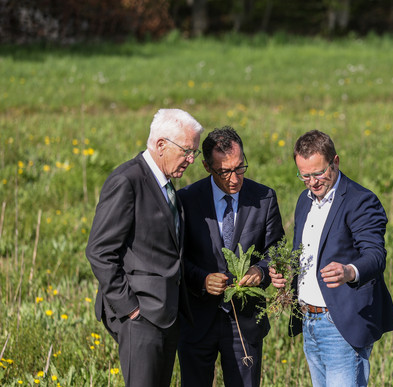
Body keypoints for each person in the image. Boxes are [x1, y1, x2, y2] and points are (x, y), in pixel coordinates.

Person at [269, 130, 393, 387]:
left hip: (341, 322)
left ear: (335, 162)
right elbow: (303, 252)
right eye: (304, 176)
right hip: (309, 320)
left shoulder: (360, 201)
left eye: (319, 173)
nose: (313, 182)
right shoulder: (303, 201)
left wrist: (350, 271)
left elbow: (375, 254)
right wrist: (284, 272)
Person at [85, 108, 204, 387]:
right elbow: (100, 251)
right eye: (187, 151)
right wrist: (130, 309)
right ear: (161, 145)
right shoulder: (127, 181)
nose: (191, 159)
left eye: (194, 153)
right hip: (141, 317)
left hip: (167, 316)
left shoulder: (166, 184)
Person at [177, 126, 284, 387]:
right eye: (224, 171)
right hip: (197, 321)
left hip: (244, 323)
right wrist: (202, 280)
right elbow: (177, 258)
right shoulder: (187, 200)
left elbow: (276, 251)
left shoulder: (265, 197)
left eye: (240, 168)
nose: (234, 178)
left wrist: (260, 272)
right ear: (206, 166)